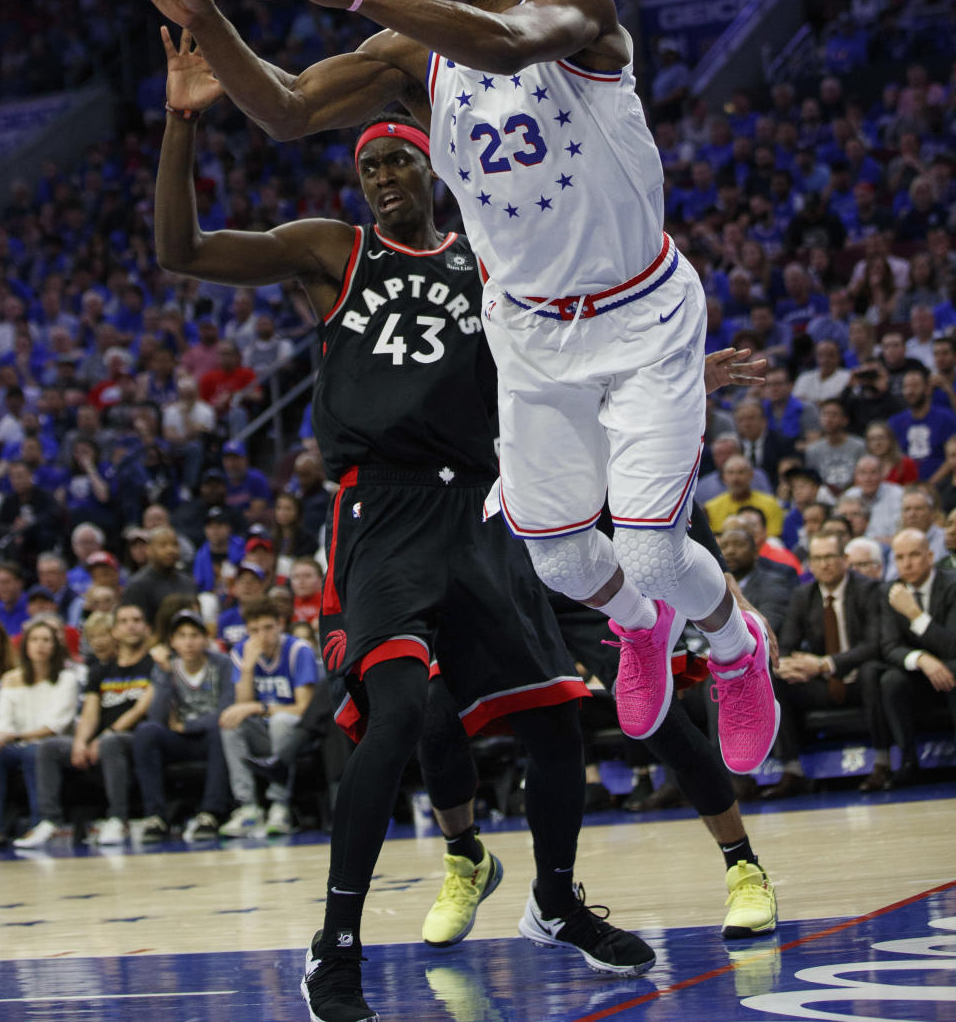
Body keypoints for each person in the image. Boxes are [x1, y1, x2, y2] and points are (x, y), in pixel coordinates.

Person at [124, 0, 778, 799]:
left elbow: (509, 46)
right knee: (557, 554)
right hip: (526, 331)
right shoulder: (406, 56)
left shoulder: (576, 0)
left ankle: (733, 642)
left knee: (645, 542)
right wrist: (203, 15)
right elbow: (286, 107)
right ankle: (640, 625)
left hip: (640, 314)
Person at [147, 63, 723, 1017]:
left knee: (553, 719)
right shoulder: (333, 252)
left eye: (397, 159)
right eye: (366, 161)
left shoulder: (492, 263)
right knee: (403, 710)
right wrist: (179, 126)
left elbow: (582, 335)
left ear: (435, 171)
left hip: (484, 511)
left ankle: (552, 900)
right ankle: (336, 945)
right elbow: (182, 250)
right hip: (383, 513)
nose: (380, 173)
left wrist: (683, 366)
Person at [14, 603, 154, 848]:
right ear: (114, 631)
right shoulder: (100, 670)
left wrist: (104, 736)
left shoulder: (153, 664)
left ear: (146, 628)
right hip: (101, 741)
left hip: (137, 740)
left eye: (136, 620)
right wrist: (80, 742)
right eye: (123, 621)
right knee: (50, 747)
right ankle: (50, 821)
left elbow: (139, 709)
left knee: (111, 743)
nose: (130, 625)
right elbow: (89, 713)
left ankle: (117, 819)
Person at [767, 534, 891, 796]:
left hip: (860, 678)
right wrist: (788, 665)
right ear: (810, 564)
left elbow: (874, 645)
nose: (824, 564)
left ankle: (883, 762)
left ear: (844, 560)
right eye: (818, 559)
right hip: (823, 685)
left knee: (872, 673)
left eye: (830, 557)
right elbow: (786, 644)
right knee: (775, 679)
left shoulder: (869, 589)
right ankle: (792, 769)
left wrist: (824, 664)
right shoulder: (803, 595)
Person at [132, 609, 233, 842]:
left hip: (209, 736)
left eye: (194, 635)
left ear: (205, 639)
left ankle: (210, 813)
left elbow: (226, 710)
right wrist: (166, 675)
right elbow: (156, 717)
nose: (189, 642)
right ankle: (155, 817)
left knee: (223, 729)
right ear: (172, 641)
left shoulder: (222, 664)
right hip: (178, 739)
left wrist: (187, 725)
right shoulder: (165, 668)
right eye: (182, 636)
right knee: (147, 732)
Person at [219, 598, 317, 837]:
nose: (261, 636)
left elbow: (303, 708)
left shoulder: (298, 650)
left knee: (281, 721)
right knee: (231, 722)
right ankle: (248, 807)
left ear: (280, 624)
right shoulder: (242, 652)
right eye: (254, 630)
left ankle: (279, 806)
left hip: (297, 734)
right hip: (263, 732)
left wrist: (259, 708)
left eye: (267, 628)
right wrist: (248, 668)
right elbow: (242, 706)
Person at [879, 529, 956, 785]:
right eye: (900, 557)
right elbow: (889, 647)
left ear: (930, 556)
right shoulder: (890, 591)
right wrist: (922, 659)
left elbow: (952, 647)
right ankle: (909, 761)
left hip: (951, 670)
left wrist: (915, 615)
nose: (907, 563)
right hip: (919, 674)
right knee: (890, 680)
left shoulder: (952, 585)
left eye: (914, 555)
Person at [0, 618, 79, 845]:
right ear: (25, 645)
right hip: (17, 744)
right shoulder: (11, 679)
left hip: (55, 744)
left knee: (38, 751)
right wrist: (3, 737)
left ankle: (39, 824)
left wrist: (13, 736)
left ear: (55, 646)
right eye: (34, 640)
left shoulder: (67, 679)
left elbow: (55, 726)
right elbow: (4, 722)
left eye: (46, 640)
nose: (40, 645)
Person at [888, 368, 956, 484]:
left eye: (915, 386)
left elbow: (952, 457)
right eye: (906, 387)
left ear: (928, 389)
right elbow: (892, 458)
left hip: (942, 484)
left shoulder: (946, 418)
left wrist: (929, 485)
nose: (910, 391)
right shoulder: (894, 422)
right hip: (906, 486)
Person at [123, 526, 197, 626]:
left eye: (175, 545)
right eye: (163, 545)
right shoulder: (137, 584)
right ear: (148, 550)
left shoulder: (188, 581)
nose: (170, 550)